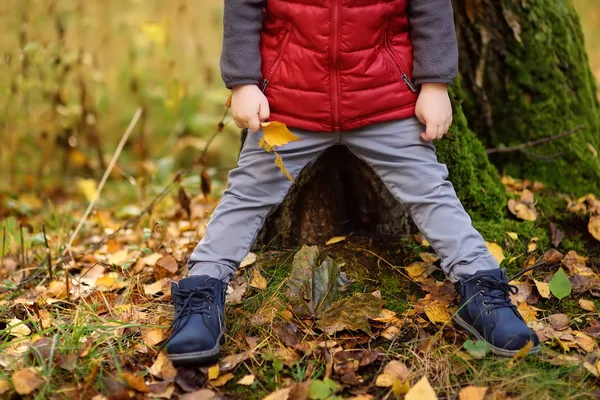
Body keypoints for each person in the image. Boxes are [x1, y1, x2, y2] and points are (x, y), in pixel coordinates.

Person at [165, 0, 540, 365]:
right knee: (247, 193)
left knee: (431, 190)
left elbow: (430, 8)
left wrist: (435, 83)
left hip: (384, 102)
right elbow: (244, 7)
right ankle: (201, 292)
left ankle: (481, 287)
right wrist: (243, 82)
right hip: (288, 107)